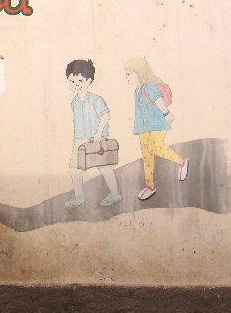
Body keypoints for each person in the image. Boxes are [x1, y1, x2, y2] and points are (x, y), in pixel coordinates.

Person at [124, 58, 189, 200]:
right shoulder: (137, 91)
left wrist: (166, 113)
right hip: (144, 128)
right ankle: (150, 186)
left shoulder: (148, 87)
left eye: (129, 74)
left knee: (154, 146)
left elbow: (158, 101)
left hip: (157, 124)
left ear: (139, 73)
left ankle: (182, 162)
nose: (126, 77)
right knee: (147, 156)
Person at [65, 59, 121, 208]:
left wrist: (98, 133)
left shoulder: (97, 100)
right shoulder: (74, 102)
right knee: (74, 168)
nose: (76, 85)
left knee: (105, 167)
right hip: (80, 140)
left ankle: (115, 194)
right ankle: (79, 197)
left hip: (97, 138)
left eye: (80, 80)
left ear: (89, 80)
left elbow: (105, 116)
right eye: (72, 81)